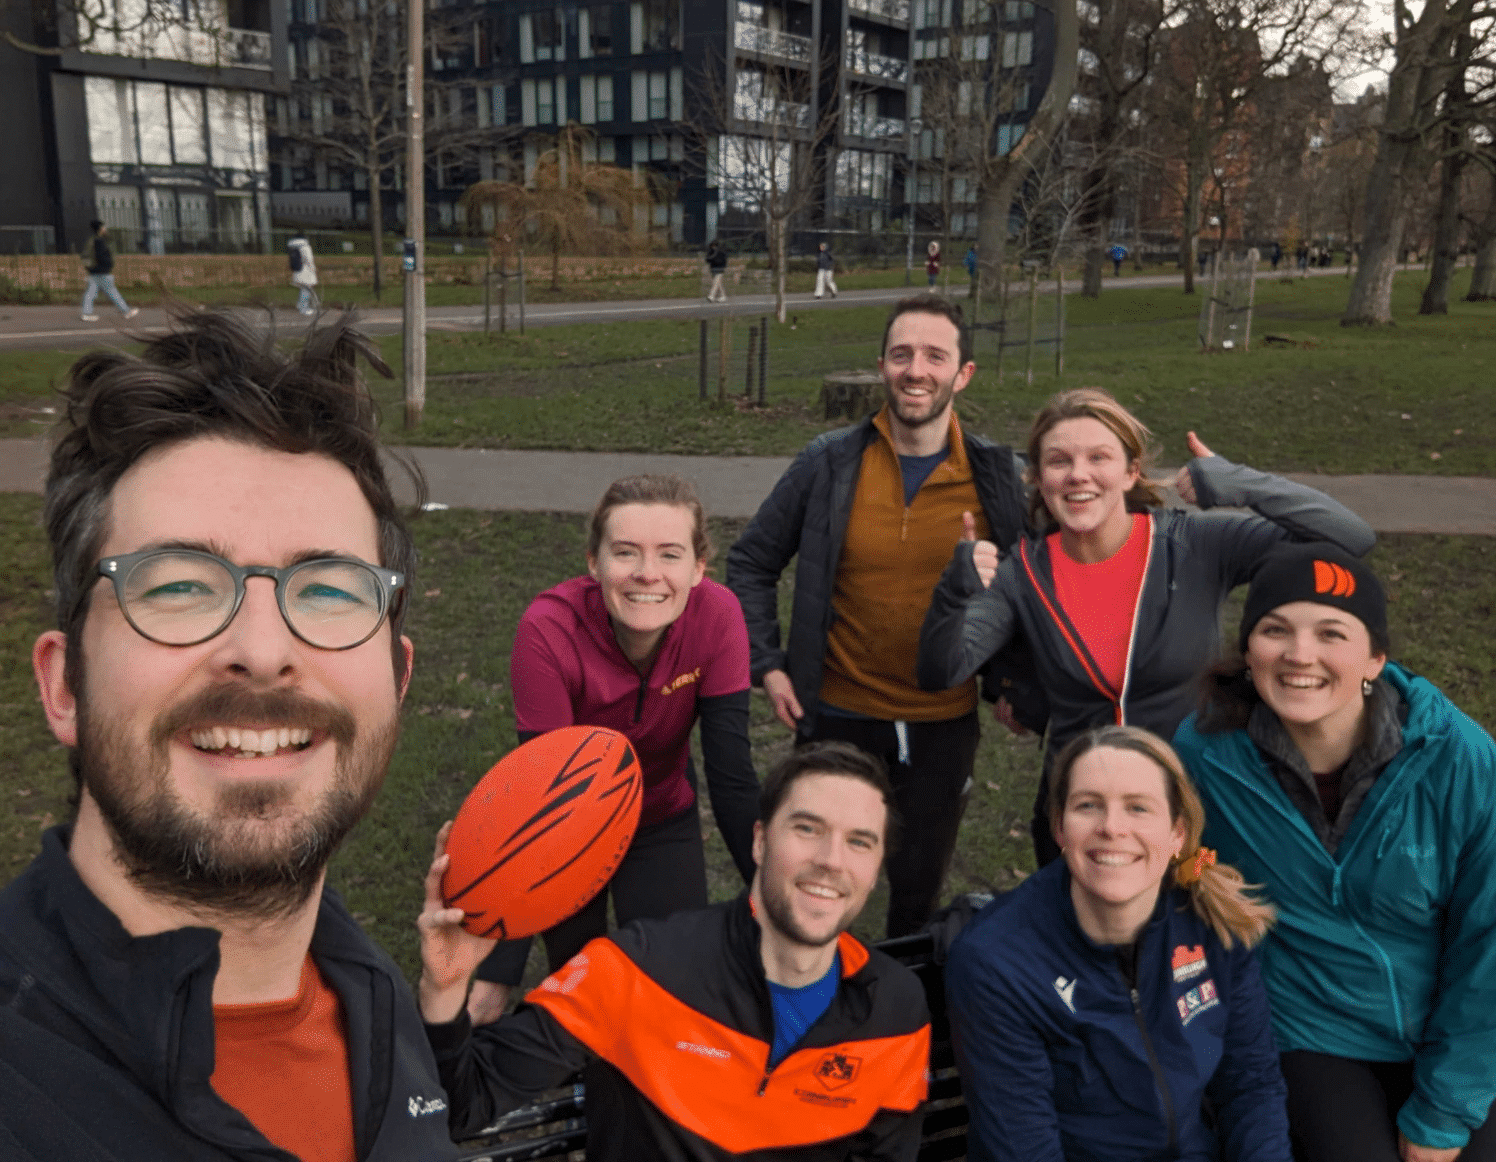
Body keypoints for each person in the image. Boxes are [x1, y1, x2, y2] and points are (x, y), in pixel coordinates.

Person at [0, 308, 458, 1159]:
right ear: (64, 685)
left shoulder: (372, 996)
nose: (260, 652)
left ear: (395, 683)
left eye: (327, 591)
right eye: (177, 587)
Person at [918, 387, 1375, 867]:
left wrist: (1241, 483)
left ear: (1131, 471)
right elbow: (942, 671)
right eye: (1058, 461)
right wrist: (956, 593)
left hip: (1197, 810)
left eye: (1099, 457)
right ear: (1037, 478)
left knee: (1191, 942)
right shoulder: (1021, 574)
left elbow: (1350, 538)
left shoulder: (1192, 544)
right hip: (1084, 825)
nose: (1078, 474)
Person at [418, 741, 932, 1161]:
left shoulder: (896, 1011)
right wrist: (445, 988)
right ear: (759, 842)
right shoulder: (636, 970)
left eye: (860, 842)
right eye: (807, 829)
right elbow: (462, 1108)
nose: (831, 862)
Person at [1173, 544, 1496, 1162]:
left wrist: (1444, 1110)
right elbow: (1153, 862)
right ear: (1249, 652)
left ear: (1375, 657)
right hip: (1310, 1029)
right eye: (1275, 631)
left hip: (1454, 1022)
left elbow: (1489, 939)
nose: (1299, 655)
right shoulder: (1207, 754)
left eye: (1331, 633)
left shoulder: (1458, 758)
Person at [727, 293, 1032, 938]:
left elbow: (1034, 590)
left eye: (934, 356)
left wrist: (1010, 685)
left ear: (963, 373)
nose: (915, 370)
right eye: (901, 355)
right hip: (838, 714)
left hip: (942, 724)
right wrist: (768, 664)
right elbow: (752, 562)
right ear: (882, 366)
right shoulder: (830, 461)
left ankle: (893, 1011)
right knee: (810, 882)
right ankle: (788, 997)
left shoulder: (998, 477)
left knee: (915, 895)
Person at [465, 474, 760, 1025]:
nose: (648, 573)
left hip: (660, 815)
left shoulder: (718, 618)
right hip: (569, 830)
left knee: (673, 988)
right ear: (594, 563)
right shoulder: (548, 630)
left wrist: (772, 898)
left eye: (669, 554)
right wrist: (499, 967)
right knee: (581, 994)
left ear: (698, 570)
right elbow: (542, 796)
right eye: (625, 553)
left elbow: (732, 777)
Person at [947, 725, 1290, 1162]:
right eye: (1088, 806)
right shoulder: (996, 963)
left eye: (1138, 808)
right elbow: (1024, 1149)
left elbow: (1251, 1086)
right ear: (1058, 828)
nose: (1112, 828)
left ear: (1177, 834)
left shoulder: (1211, 917)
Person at [79, 219, 138, 322]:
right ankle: (126, 311)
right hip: (102, 271)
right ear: (100, 229)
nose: (105, 229)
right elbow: (102, 256)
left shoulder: (93, 240)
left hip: (94, 271)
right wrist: (109, 264)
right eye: (104, 227)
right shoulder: (99, 241)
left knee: (91, 292)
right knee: (111, 292)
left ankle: (86, 313)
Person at [288, 231, 319, 315]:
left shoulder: (293, 247)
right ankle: (304, 308)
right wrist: (313, 269)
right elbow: (309, 260)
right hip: (306, 272)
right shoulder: (305, 247)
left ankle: (299, 305)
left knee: (303, 289)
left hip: (298, 271)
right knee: (306, 290)